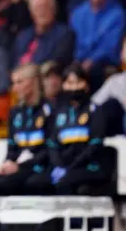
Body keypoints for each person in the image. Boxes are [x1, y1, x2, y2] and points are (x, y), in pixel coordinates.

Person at [23, 64, 110, 195]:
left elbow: (94, 146)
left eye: (78, 82)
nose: (74, 87)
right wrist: (59, 165)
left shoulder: (95, 110)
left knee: (65, 181)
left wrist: (71, 167)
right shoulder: (59, 112)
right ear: (63, 85)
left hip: (88, 166)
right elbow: (52, 144)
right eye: (69, 83)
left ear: (86, 84)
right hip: (63, 165)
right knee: (34, 182)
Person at [0, 64, 52, 195]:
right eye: (13, 83)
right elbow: (12, 147)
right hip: (18, 167)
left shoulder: (49, 110)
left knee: (24, 183)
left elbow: (49, 150)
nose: (14, 88)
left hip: (40, 167)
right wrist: (6, 163)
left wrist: (20, 166)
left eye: (19, 82)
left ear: (33, 82)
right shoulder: (15, 112)